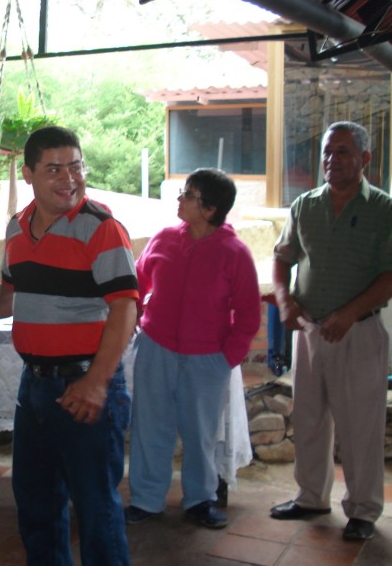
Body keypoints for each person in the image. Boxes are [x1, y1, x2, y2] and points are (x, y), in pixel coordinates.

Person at [0, 125, 138, 566]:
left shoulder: (101, 227)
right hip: (35, 387)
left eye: (75, 167)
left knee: (96, 508)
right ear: (28, 175)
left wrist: (96, 383)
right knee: (36, 502)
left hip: (84, 386)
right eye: (54, 169)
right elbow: (10, 292)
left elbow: (125, 307)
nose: (69, 178)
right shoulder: (17, 228)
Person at [270, 121, 392, 541]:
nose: (331, 159)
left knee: (360, 427)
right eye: (326, 151)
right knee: (309, 420)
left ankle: (363, 510)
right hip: (309, 330)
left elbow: (390, 275)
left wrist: (349, 313)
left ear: (364, 158)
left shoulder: (383, 209)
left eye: (342, 151)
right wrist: (285, 301)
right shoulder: (305, 205)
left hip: (358, 332)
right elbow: (283, 258)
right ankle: (311, 497)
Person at [124, 169, 260, 530]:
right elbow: (138, 279)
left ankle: (200, 500)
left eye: (188, 195)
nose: (180, 199)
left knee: (201, 434)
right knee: (149, 427)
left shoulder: (235, 253)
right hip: (156, 348)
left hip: (207, 359)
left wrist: (226, 359)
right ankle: (146, 500)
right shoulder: (165, 238)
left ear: (210, 209)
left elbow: (248, 313)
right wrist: (136, 313)